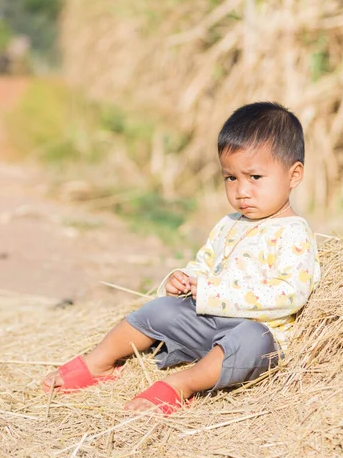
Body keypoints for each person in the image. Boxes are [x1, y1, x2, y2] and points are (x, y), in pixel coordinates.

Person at [43, 102, 321, 414]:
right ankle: (99, 362)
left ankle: (181, 384)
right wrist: (186, 279)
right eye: (230, 178)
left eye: (255, 177)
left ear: (294, 175)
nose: (241, 190)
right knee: (160, 309)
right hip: (207, 323)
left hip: (254, 332)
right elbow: (206, 262)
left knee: (253, 341)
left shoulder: (293, 233)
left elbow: (289, 295)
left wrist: (215, 294)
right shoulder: (230, 223)